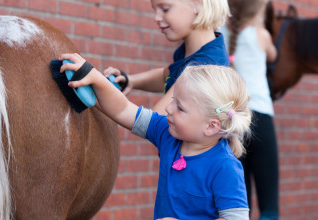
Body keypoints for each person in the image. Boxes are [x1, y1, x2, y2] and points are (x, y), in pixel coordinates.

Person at [59, 53, 252, 220]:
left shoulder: (225, 167)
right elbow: (124, 110)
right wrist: (96, 79)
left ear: (211, 126)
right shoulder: (166, 133)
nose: (168, 108)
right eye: (173, 100)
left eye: (180, 108)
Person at [104, 0, 231, 114]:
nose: (157, 18)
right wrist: (131, 80)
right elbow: (167, 76)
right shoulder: (191, 50)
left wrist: (101, 88)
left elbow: (153, 122)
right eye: (155, 10)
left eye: (165, 9)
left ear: (197, 4)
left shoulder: (206, 65)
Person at [220, 0, 279, 219]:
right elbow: (273, 55)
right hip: (260, 117)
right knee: (268, 196)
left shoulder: (220, 34)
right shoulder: (261, 35)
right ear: (257, 12)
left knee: (240, 197)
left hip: (234, 120)